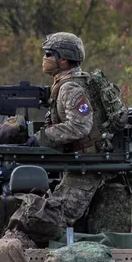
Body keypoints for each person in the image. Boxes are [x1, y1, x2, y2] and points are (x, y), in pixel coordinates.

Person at [27, 32, 105, 228]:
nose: (44, 59)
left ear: (63, 60)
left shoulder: (70, 87)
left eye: (48, 54)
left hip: (86, 169)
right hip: (78, 165)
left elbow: (80, 125)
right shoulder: (68, 82)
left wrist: (42, 138)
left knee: (50, 221)